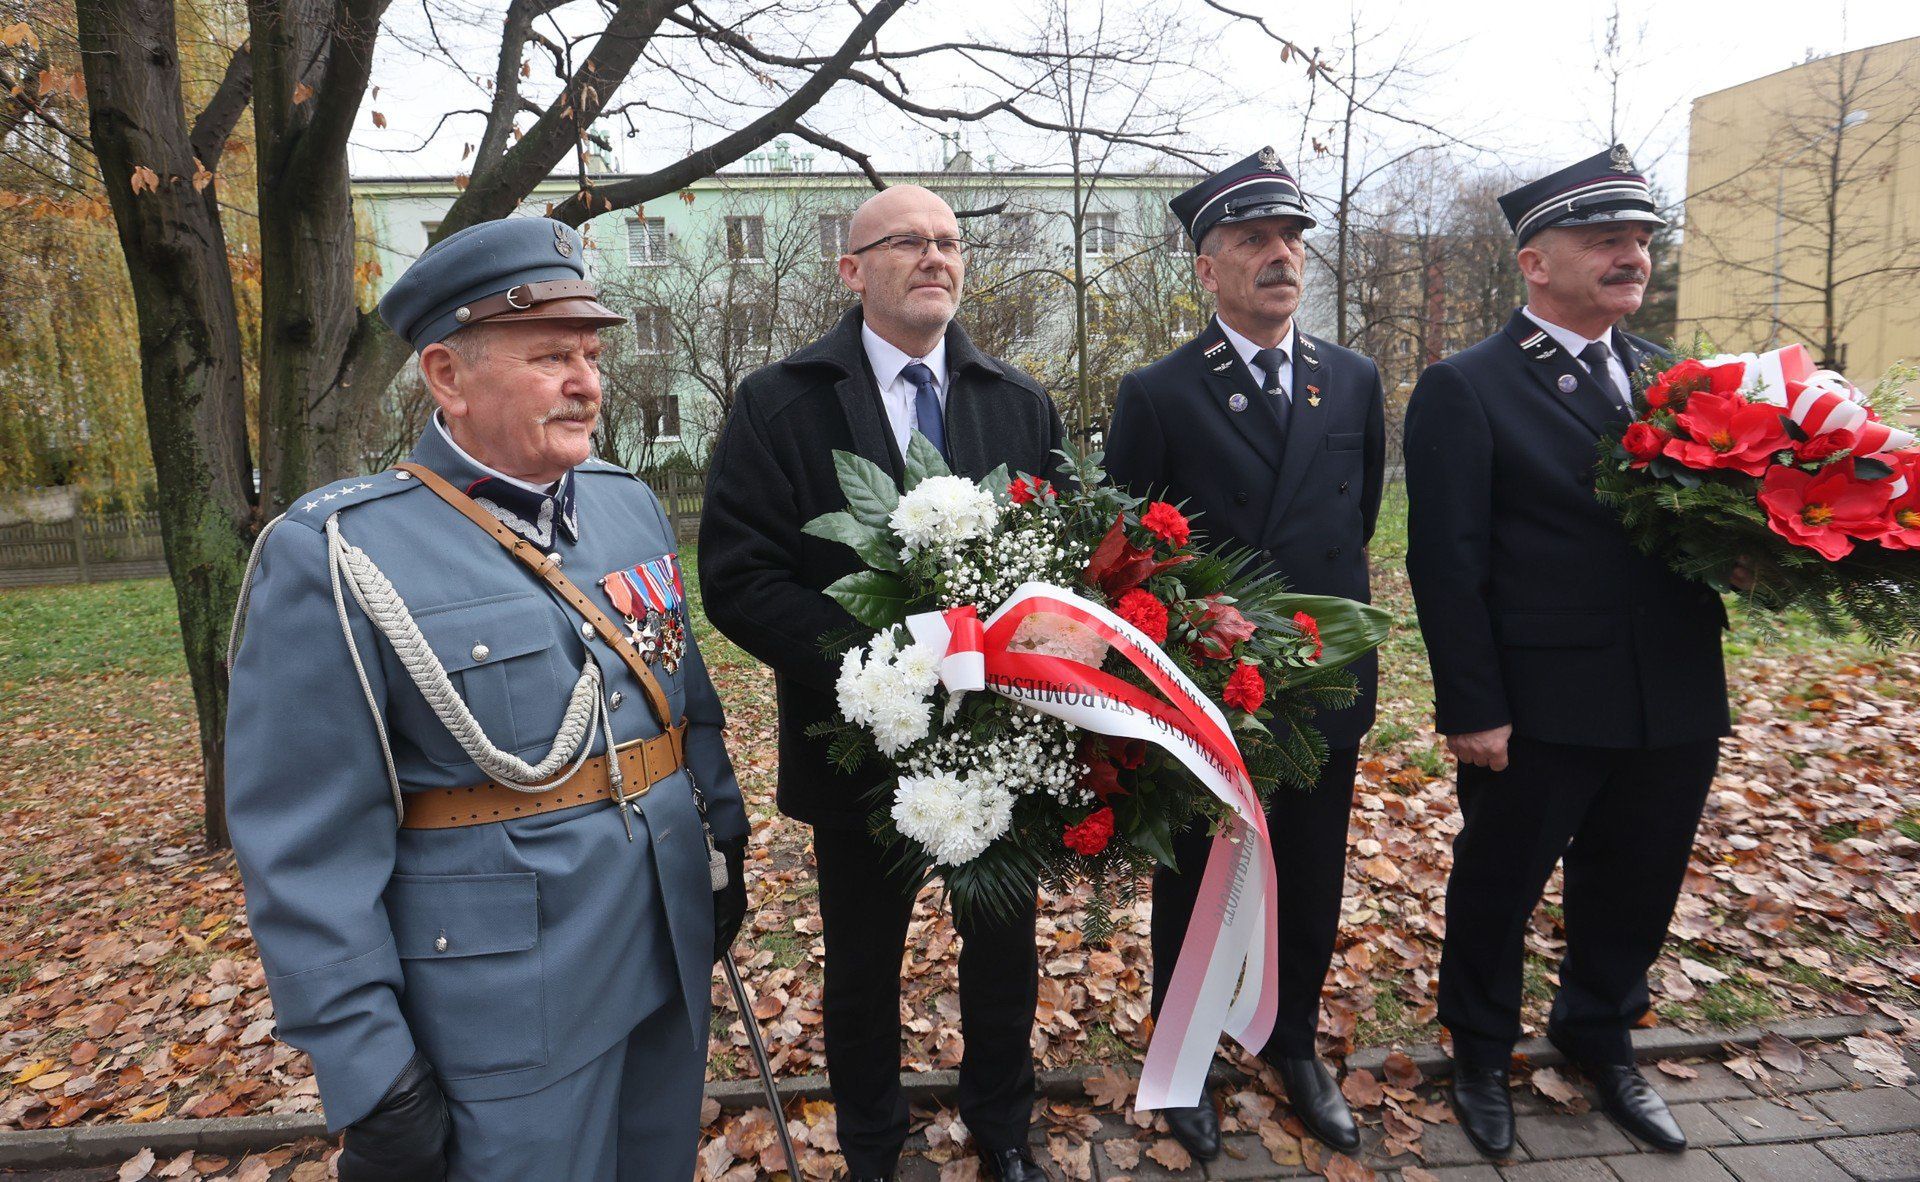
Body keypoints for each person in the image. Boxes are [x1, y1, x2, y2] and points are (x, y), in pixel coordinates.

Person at [225, 216, 748, 1181]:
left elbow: (682, 705)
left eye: (590, 352)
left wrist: (720, 839)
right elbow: (302, 852)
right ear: (447, 378)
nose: (588, 380)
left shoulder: (625, 505)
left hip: (663, 944)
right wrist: (368, 1069)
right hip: (507, 1002)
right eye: (551, 356)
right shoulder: (337, 554)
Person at [699, 184, 1065, 1182]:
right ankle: (871, 1141)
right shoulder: (780, 403)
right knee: (864, 962)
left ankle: (1002, 1127)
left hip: (1001, 740)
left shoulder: (1018, 401)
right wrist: (876, 669)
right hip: (861, 738)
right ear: (853, 269)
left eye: (950, 242)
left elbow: (1061, 565)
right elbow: (738, 575)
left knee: (1002, 952)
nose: (938, 257)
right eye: (910, 241)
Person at [1402, 145, 1729, 1158]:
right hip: (1540, 701)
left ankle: (1597, 1034)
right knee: (1499, 884)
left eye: (1638, 239)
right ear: (1534, 262)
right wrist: (1472, 707)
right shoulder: (1468, 386)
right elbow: (1445, 564)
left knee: (1637, 880)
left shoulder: (1672, 377)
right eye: (1605, 239)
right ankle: (1479, 1050)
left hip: (1670, 691)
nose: (1630, 255)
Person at [1105, 147, 1385, 1161]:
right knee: (1194, 874)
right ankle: (1182, 1057)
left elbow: (1359, 517)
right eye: (1253, 240)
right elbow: (1127, 558)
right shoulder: (1160, 392)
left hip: (1318, 686)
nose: (1280, 256)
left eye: (1291, 239)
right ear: (1207, 267)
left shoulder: (1351, 381)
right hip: (1207, 692)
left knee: (1312, 872)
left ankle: (1293, 1043)